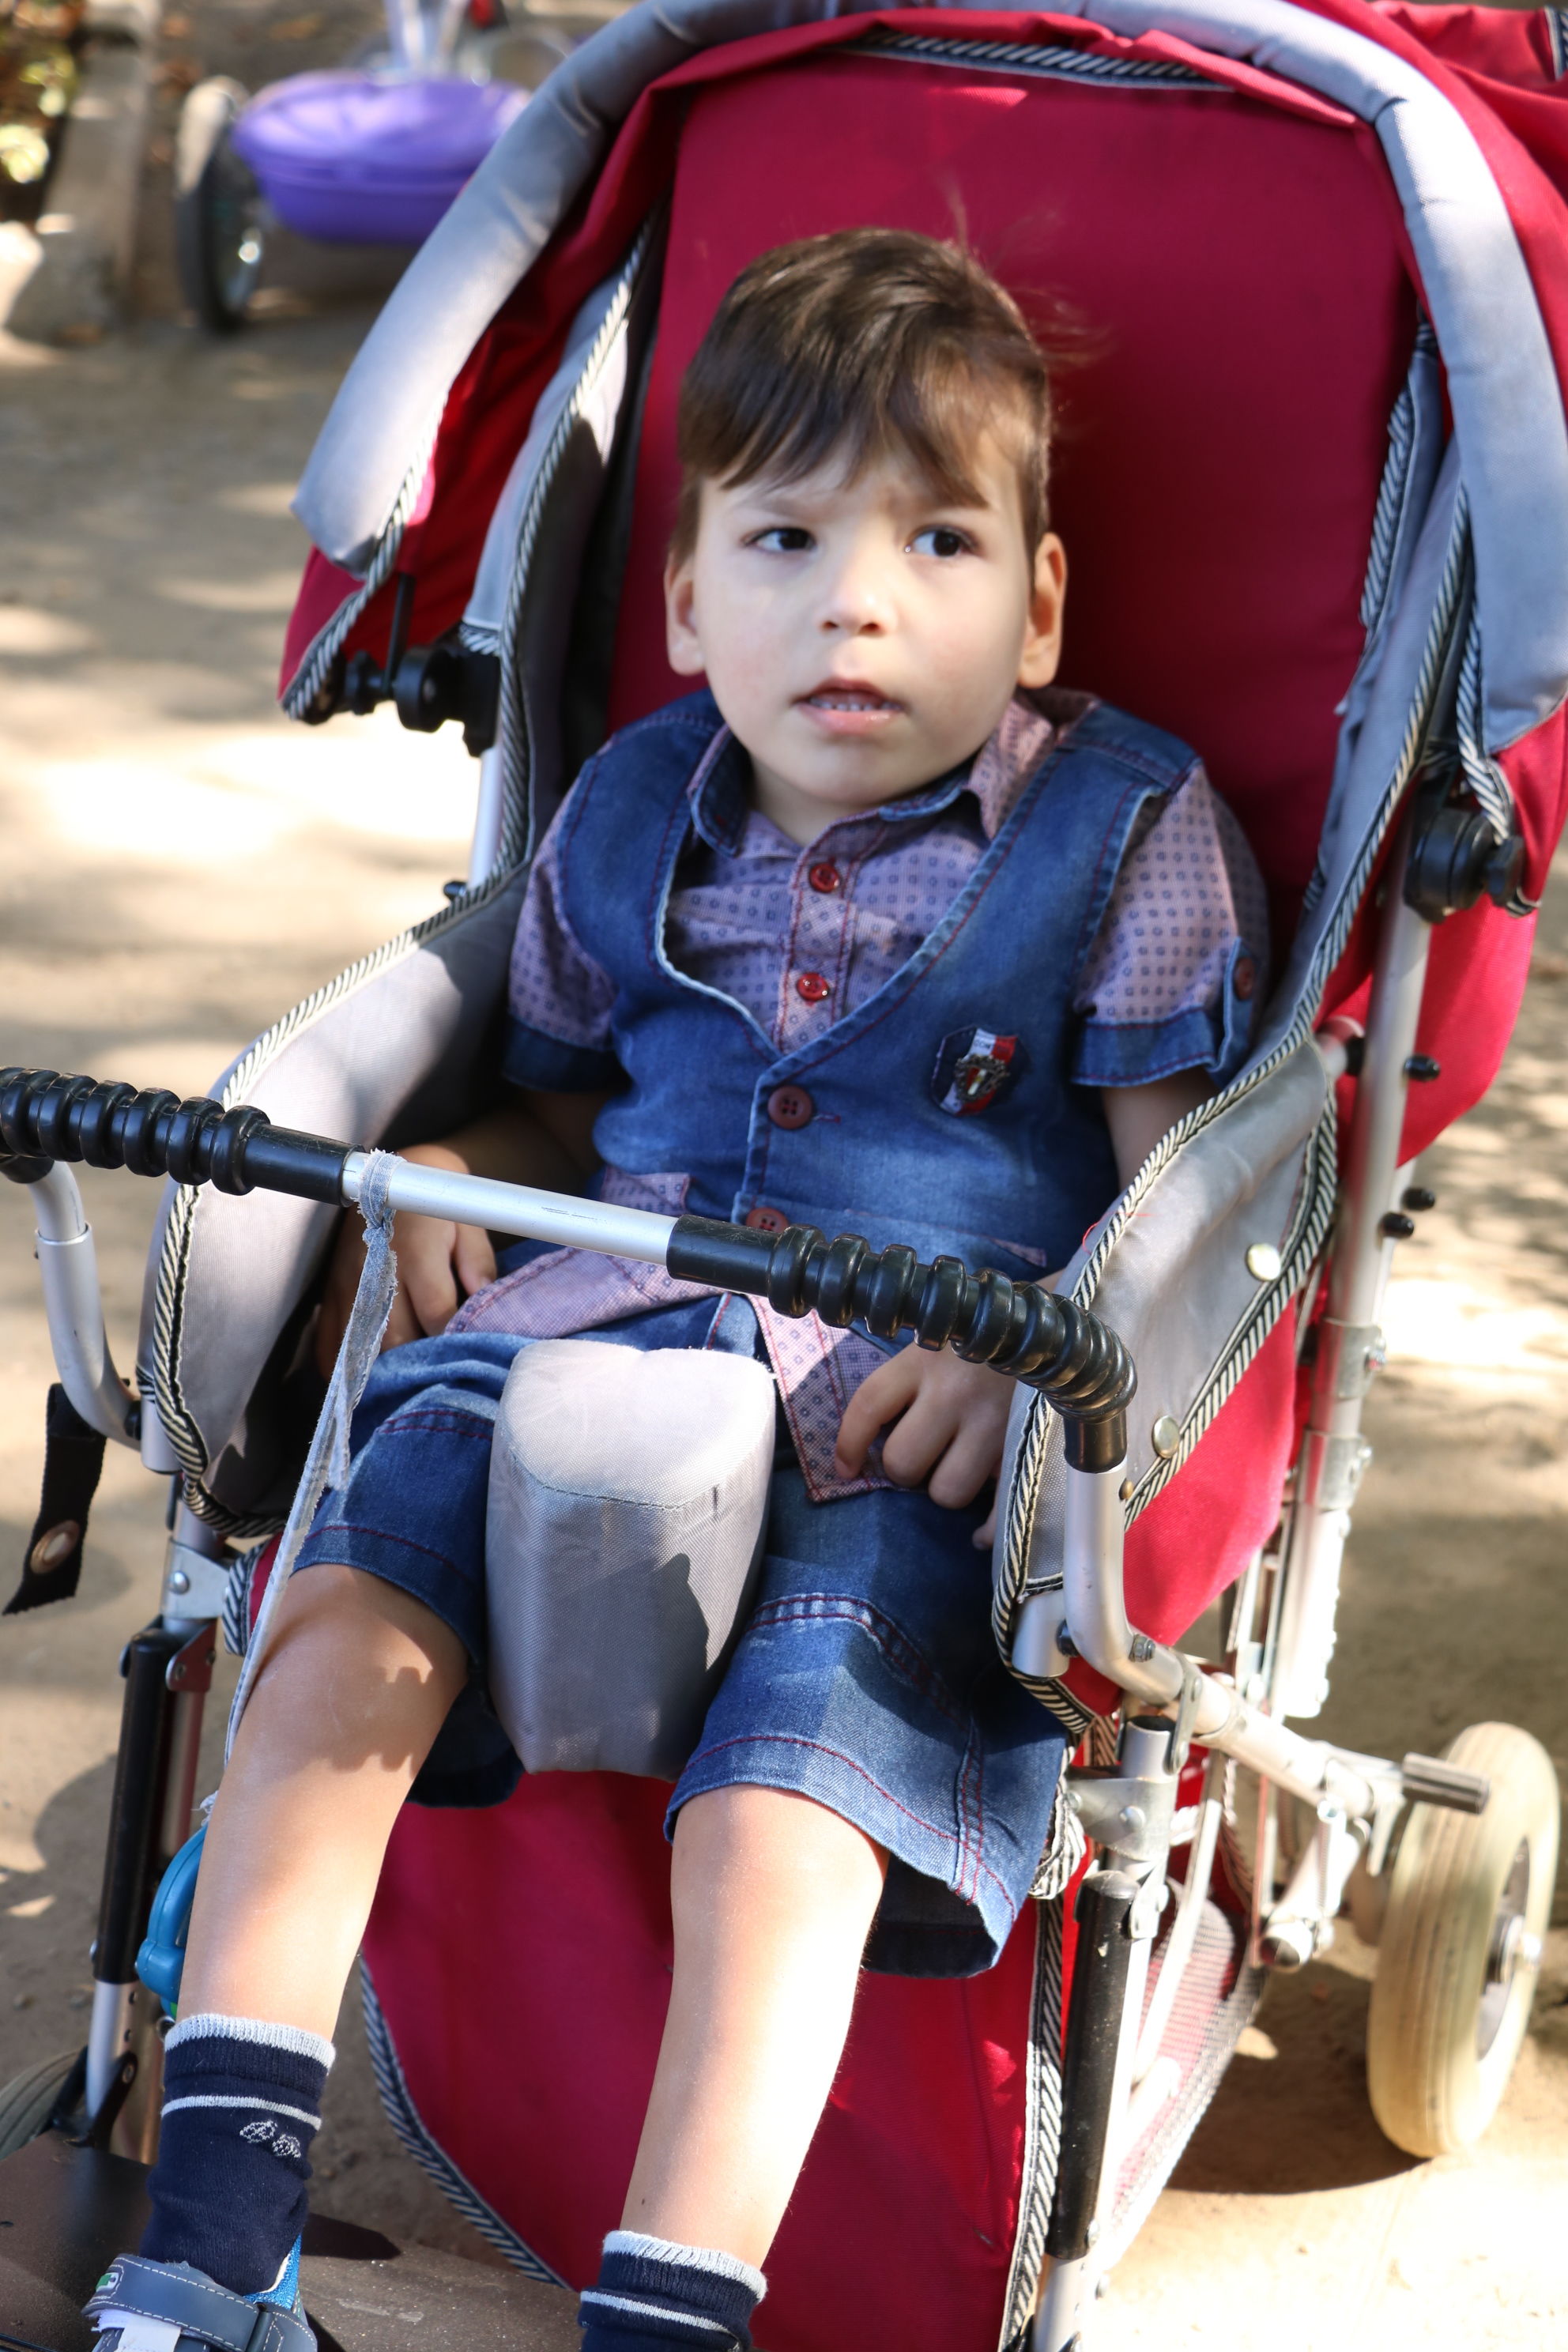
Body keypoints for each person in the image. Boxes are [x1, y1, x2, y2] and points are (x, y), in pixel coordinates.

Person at [86, 229, 1268, 2352]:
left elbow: (1172, 1195)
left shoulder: (1122, 831)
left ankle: (672, 2301)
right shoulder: (634, 806)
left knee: (783, 1807)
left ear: (1040, 604)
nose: (857, 602)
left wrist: (1044, 1356)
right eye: (788, 540)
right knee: (339, 1627)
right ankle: (215, 2241)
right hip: (583, 1323)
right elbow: (562, 1100)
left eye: (936, 542)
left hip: (906, 1410)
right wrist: (460, 1167)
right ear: (687, 601)